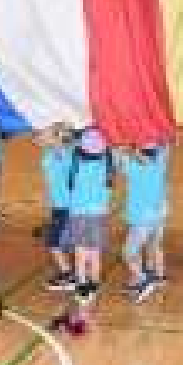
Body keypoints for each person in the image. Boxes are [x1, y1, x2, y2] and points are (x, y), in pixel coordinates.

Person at [119, 142, 169, 302]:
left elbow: (120, 158)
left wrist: (123, 147)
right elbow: (165, 146)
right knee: (154, 245)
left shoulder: (134, 169)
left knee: (128, 253)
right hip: (158, 216)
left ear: (139, 152)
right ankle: (158, 277)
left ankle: (143, 279)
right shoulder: (161, 163)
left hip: (141, 220)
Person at [69, 127, 113, 305]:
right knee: (95, 252)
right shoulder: (107, 165)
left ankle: (82, 285)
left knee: (80, 252)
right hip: (98, 215)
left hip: (79, 214)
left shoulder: (75, 164)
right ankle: (93, 284)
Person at [36, 122, 76, 292]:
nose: (39, 135)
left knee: (53, 242)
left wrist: (59, 129)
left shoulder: (62, 152)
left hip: (66, 206)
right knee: (60, 241)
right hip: (58, 205)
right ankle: (71, 273)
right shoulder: (51, 151)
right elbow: (36, 139)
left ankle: (68, 275)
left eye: (44, 132)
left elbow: (63, 139)